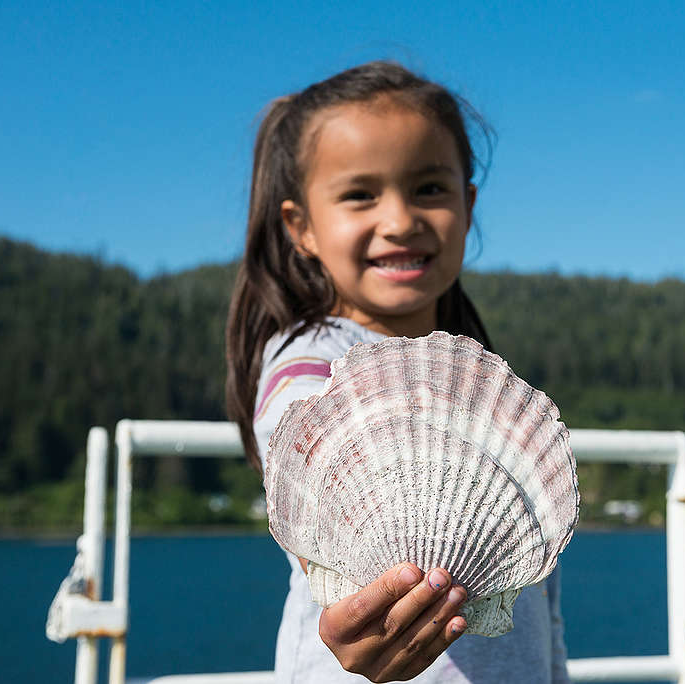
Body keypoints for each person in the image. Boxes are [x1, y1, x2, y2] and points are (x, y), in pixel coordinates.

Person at [225, 61, 569, 684]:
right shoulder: (307, 364)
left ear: (467, 205)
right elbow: (301, 443)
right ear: (300, 226)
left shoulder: (473, 381)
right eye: (360, 194)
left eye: (430, 189)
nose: (400, 220)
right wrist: (352, 615)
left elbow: (540, 609)